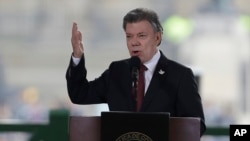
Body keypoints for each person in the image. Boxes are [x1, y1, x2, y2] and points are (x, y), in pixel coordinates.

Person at [66, 8, 206, 135]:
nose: (134, 42)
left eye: (141, 36)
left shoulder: (180, 75)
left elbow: (196, 125)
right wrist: (77, 56)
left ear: (157, 37)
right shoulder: (117, 71)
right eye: (129, 36)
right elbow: (79, 94)